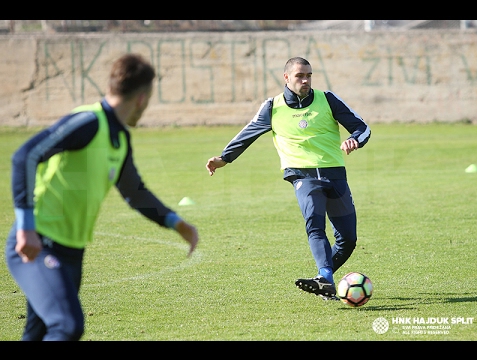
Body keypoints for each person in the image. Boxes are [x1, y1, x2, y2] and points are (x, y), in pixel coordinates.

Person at [6, 53, 199, 341]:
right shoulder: (88, 121)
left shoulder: (119, 138)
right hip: (37, 244)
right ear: (143, 98)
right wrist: (26, 226)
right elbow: (25, 156)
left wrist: (176, 223)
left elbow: (134, 192)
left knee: (38, 333)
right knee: (67, 326)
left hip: (72, 252)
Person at [206, 57, 370, 300]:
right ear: (286, 78)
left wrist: (354, 139)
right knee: (315, 225)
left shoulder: (328, 99)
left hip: (335, 174)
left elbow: (362, 127)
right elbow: (247, 134)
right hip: (302, 176)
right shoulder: (273, 107)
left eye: (309, 75)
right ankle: (325, 276)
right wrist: (224, 158)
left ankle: (323, 280)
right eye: (299, 76)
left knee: (348, 239)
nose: (305, 80)